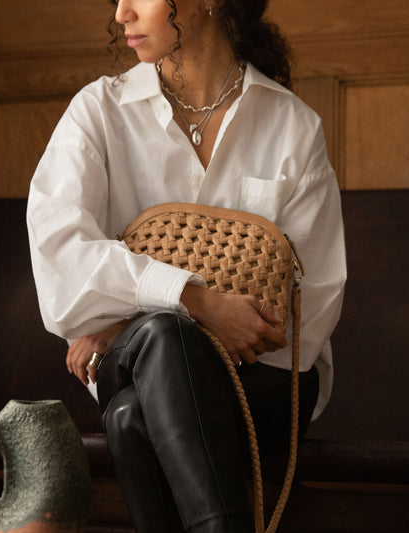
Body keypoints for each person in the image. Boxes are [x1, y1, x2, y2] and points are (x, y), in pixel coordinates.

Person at [27, 0, 346, 531]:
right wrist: (198, 301)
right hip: (140, 364)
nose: (122, 12)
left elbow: (309, 308)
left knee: (132, 417)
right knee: (161, 343)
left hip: (264, 388)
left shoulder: (292, 126)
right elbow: (60, 261)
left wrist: (125, 314)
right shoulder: (97, 113)